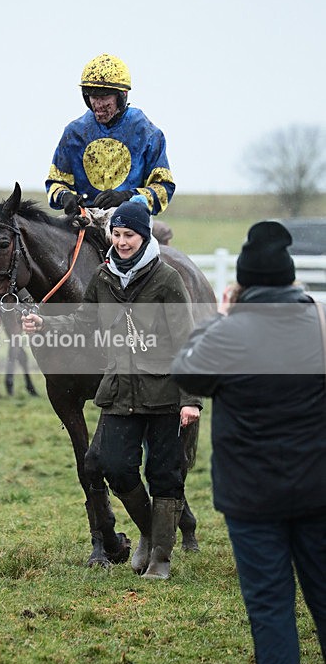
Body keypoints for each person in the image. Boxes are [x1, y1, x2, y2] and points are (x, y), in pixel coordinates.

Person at [171, 221, 326, 664]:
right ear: (289, 280)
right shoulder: (319, 323)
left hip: (252, 499)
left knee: (270, 606)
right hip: (318, 489)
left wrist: (221, 316)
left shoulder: (230, 332)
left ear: (243, 285)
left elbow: (187, 373)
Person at [22, 196, 201, 580]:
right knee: (115, 468)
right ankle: (150, 535)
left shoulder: (167, 280)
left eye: (129, 235)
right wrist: (46, 326)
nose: (121, 242)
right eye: (117, 234)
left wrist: (191, 400)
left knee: (164, 475)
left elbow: (186, 342)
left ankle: (161, 560)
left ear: (144, 235)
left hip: (163, 393)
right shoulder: (105, 279)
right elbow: (83, 322)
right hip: (119, 390)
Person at [45, 53, 175, 219]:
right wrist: (64, 197)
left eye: (104, 97)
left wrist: (127, 197)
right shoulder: (74, 132)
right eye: (93, 97)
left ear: (122, 95)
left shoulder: (148, 133)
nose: (98, 105)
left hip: (129, 220)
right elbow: (56, 182)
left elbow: (164, 188)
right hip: (84, 217)